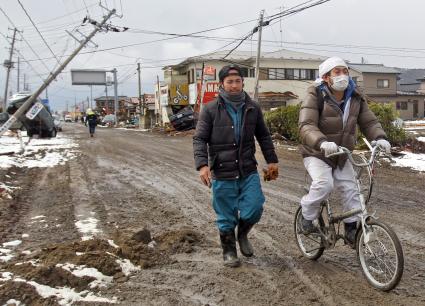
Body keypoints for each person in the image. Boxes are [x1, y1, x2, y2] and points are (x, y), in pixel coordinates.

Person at [298, 57, 391, 245]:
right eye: (337, 72)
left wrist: (379, 138)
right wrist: (321, 142)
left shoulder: (355, 96)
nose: (343, 75)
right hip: (317, 153)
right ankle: (306, 217)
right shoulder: (315, 94)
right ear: (326, 77)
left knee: (352, 189)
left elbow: (369, 121)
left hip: (341, 154)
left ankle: (351, 230)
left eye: (345, 71)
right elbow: (306, 125)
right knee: (324, 185)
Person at [193, 64, 279, 267]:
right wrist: (202, 165)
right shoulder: (211, 109)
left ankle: (242, 234)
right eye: (229, 82)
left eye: (237, 81)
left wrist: (272, 160)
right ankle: (229, 250)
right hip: (222, 171)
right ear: (222, 84)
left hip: (248, 169)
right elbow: (199, 139)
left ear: (242, 83)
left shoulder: (253, 107)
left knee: (255, 207)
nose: (234, 85)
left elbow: (264, 136)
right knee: (225, 214)